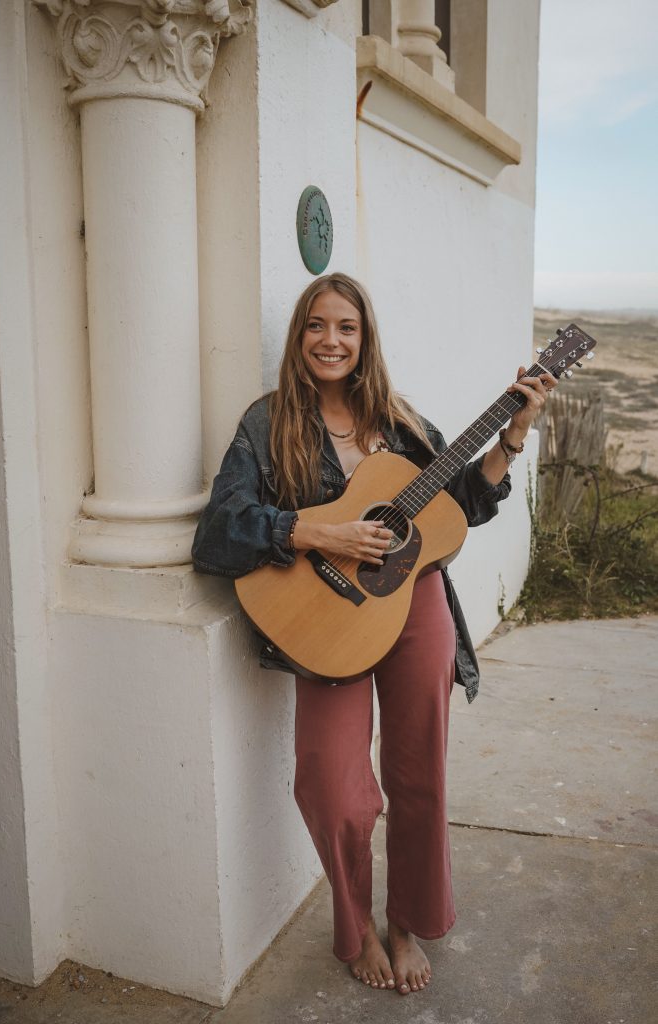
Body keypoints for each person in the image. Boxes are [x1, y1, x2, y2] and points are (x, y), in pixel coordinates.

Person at [191, 272, 555, 996]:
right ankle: (354, 926)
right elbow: (216, 533)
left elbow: (459, 509)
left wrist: (511, 437)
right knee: (333, 785)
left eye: (346, 328)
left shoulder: (402, 424)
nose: (331, 340)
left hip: (413, 604)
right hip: (328, 623)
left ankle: (407, 921)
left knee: (419, 771)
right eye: (316, 326)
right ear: (300, 338)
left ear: (364, 340)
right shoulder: (266, 427)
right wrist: (316, 532)